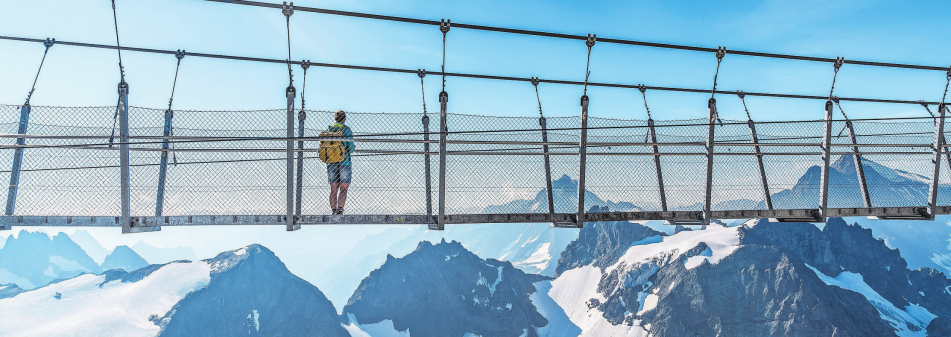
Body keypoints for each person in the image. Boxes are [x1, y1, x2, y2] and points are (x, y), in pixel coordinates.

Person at [327, 110, 355, 215]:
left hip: (332, 163)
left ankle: (333, 210)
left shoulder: (329, 130)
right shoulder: (346, 130)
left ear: (335, 119)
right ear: (344, 119)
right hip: (344, 163)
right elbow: (351, 148)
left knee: (333, 189)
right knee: (343, 188)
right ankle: (340, 209)